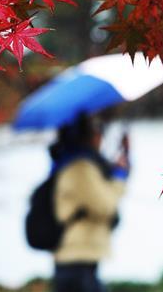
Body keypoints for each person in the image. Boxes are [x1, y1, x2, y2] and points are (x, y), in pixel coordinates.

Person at [50, 115, 128, 292]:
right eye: (96, 131)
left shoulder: (75, 163)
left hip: (77, 259)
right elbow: (105, 206)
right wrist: (120, 178)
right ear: (86, 136)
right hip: (76, 260)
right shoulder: (80, 168)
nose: (100, 137)